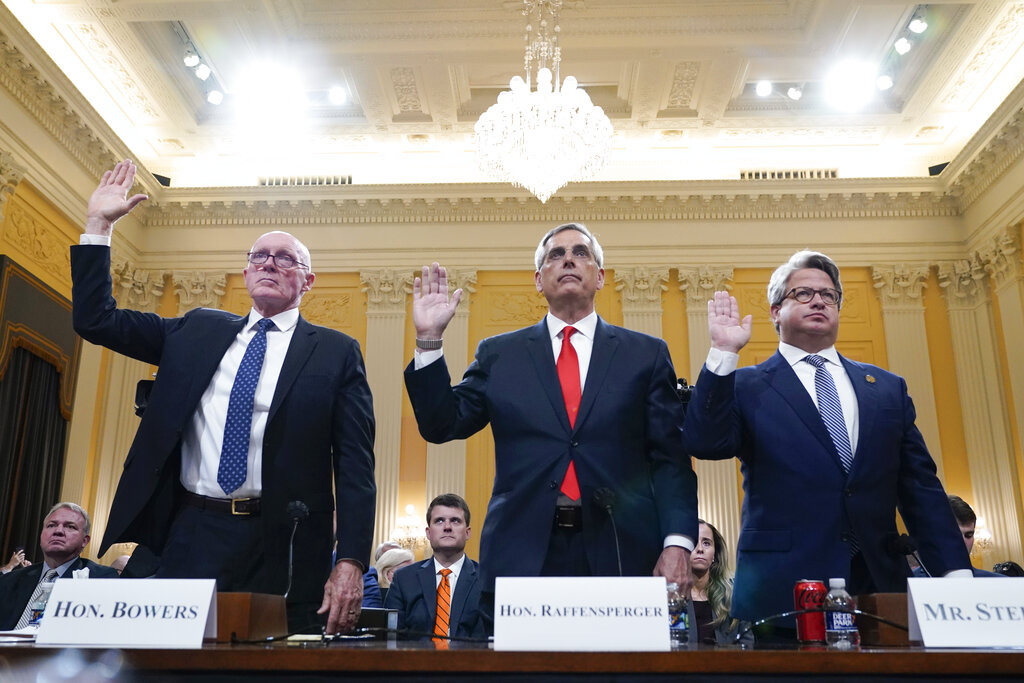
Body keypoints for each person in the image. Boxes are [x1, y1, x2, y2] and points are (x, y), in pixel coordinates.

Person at [71, 160, 377, 634]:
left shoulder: (336, 352)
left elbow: (356, 467)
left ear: (308, 281)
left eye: (285, 258)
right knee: (169, 660)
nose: (269, 263)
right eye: (259, 256)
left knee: (268, 665)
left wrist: (352, 560)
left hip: (284, 542)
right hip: (191, 529)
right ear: (246, 272)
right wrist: (98, 227)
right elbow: (96, 321)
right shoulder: (196, 330)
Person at [404, 223, 699, 609]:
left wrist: (676, 542)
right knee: (526, 672)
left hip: (621, 548)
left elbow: (671, 460)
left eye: (581, 252)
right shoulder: (499, 354)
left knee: (619, 670)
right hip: (523, 552)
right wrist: (429, 341)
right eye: (555, 255)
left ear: (601, 276)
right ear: (539, 280)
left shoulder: (645, 354)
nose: (569, 260)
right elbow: (443, 424)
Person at [682, 250, 971, 636]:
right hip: (781, 586)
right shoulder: (745, 384)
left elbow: (920, 487)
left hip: (879, 584)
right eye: (803, 294)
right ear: (774, 311)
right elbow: (705, 441)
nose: (819, 300)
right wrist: (723, 353)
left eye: (829, 295)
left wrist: (956, 573)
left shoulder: (886, 388)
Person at [0, 503, 118, 630]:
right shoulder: (9, 581)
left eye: (70, 527)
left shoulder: (101, 579)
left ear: (84, 541)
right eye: (51, 525)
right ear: (41, 535)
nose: (58, 531)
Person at [384, 494, 484, 642]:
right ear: (428, 533)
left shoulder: (486, 579)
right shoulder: (404, 579)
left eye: (455, 521)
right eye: (439, 521)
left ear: (467, 532)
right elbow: (390, 637)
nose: (447, 527)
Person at [687, 520, 750, 646]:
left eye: (706, 543)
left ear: (715, 553)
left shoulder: (734, 595)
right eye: (693, 543)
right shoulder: (669, 595)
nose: (700, 549)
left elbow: (747, 642)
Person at [947, 495, 1004, 578]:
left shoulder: (999, 582)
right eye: (956, 534)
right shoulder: (921, 582)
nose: (962, 541)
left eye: (969, 535)